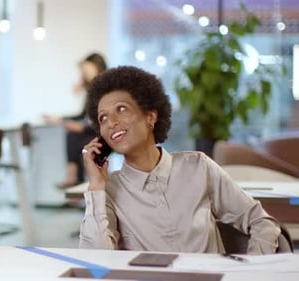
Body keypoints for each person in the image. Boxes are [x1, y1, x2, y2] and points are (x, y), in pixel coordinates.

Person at [78, 65, 281, 254]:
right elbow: (96, 258)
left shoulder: (198, 167)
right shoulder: (109, 190)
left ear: (150, 116)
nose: (111, 122)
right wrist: (96, 185)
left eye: (121, 109)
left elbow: (262, 222)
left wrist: (249, 270)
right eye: (102, 118)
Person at [43, 53, 107, 188]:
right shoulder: (92, 90)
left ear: (97, 68)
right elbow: (83, 115)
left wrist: (81, 127)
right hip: (93, 130)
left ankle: (73, 176)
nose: (83, 74)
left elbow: (100, 118)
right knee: (72, 133)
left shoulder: (103, 89)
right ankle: (74, 177)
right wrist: (60, 119)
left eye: (86, 70)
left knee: (76, 136)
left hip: (102, 132)